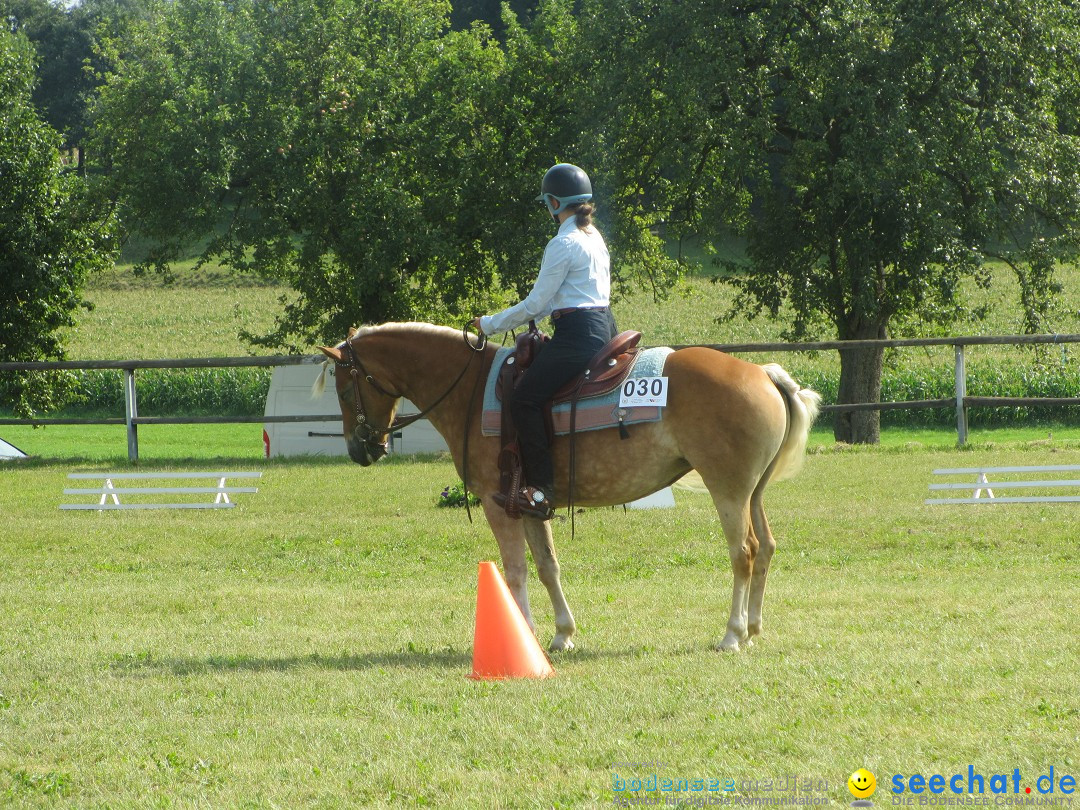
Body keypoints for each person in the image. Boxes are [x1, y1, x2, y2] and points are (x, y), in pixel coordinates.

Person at [472, 163, 617, 519]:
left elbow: (537, 302)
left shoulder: (562, 243)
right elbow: (559, 297)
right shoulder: (594, 236)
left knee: (523, 399)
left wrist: (489, 323)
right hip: (604, 328)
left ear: (554, 202)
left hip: (578, 336)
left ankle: (542, 490)